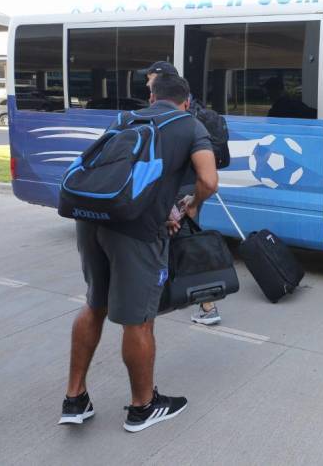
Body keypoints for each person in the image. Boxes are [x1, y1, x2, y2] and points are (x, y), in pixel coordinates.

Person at [59, 74, 218, 433]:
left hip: (92, 219)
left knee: (94, 304)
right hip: (135, 231)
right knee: (139, 320)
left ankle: (75, 398)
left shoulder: (126, 119)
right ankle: (142, 406)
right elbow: (208, 180)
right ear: (186, 101)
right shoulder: (190, 125)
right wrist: (191, 206)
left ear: (151, 97)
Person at [142, 61, 221, 326]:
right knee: (185, 244)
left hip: (178, 189)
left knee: (181, 245)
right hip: (192, 187)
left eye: (150, 82)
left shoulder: (169, 117)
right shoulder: (194, 110)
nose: (147, 87)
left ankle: (206, 305)